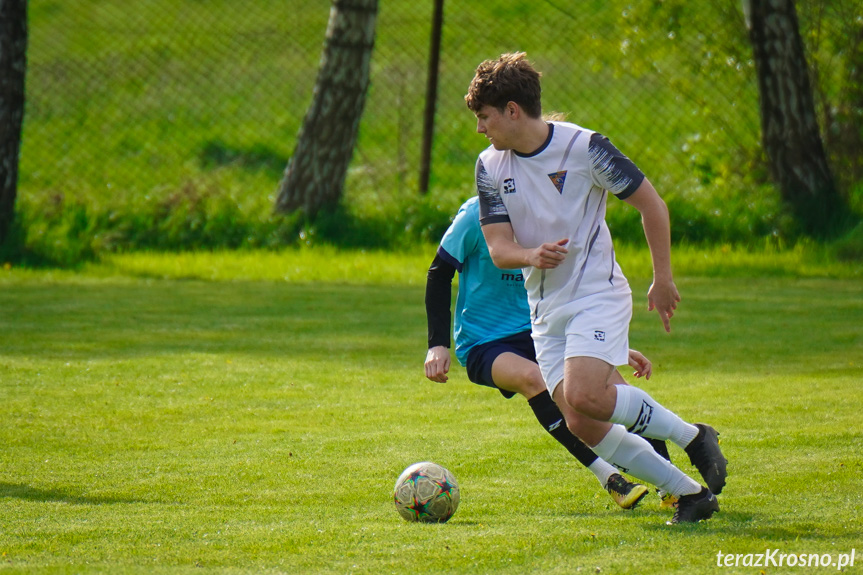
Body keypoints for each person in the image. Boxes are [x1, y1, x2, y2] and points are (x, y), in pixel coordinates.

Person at [464, 52, 728, 524]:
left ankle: (693, 437)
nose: (480, 129)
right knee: (582, 422)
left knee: (587, 396)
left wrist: (662, 278)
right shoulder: (489, 166)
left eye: (484, 117)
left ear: (511, 110)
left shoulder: (584, 149)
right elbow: (500, 247)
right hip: (544, 309)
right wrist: (531, 256)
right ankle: (691, 494)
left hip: (596, 294)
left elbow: (653, 206)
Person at [425, 195, 672, 511]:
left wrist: (609, 345)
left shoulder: (548, 214)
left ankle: (673, 488)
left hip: (543, 330)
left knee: (618, 392)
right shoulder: (475, 215)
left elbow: (573, 286)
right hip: (484, 342)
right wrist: (437, 344)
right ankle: (610, 478)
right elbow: (439, 272)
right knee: (534, 379)